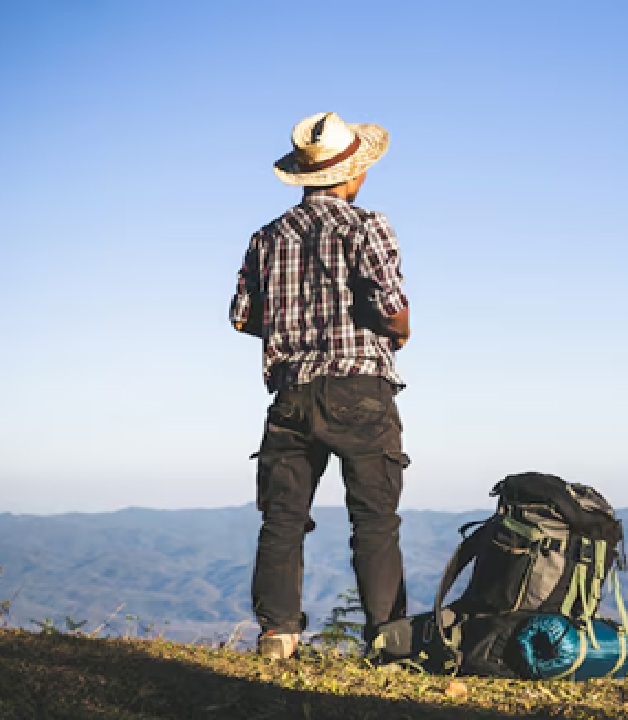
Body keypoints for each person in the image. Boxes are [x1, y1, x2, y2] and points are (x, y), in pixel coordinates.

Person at [229, 111, 411, 659]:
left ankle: (277, 635)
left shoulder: (267, 238)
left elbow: (243, 317)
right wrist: (396, 331)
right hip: (360, 389)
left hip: (291, 391)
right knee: (374, 520)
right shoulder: (366, 225)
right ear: (351, 174)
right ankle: (388, 641)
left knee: (282, 519)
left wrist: (293, 328)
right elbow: (392, 307)